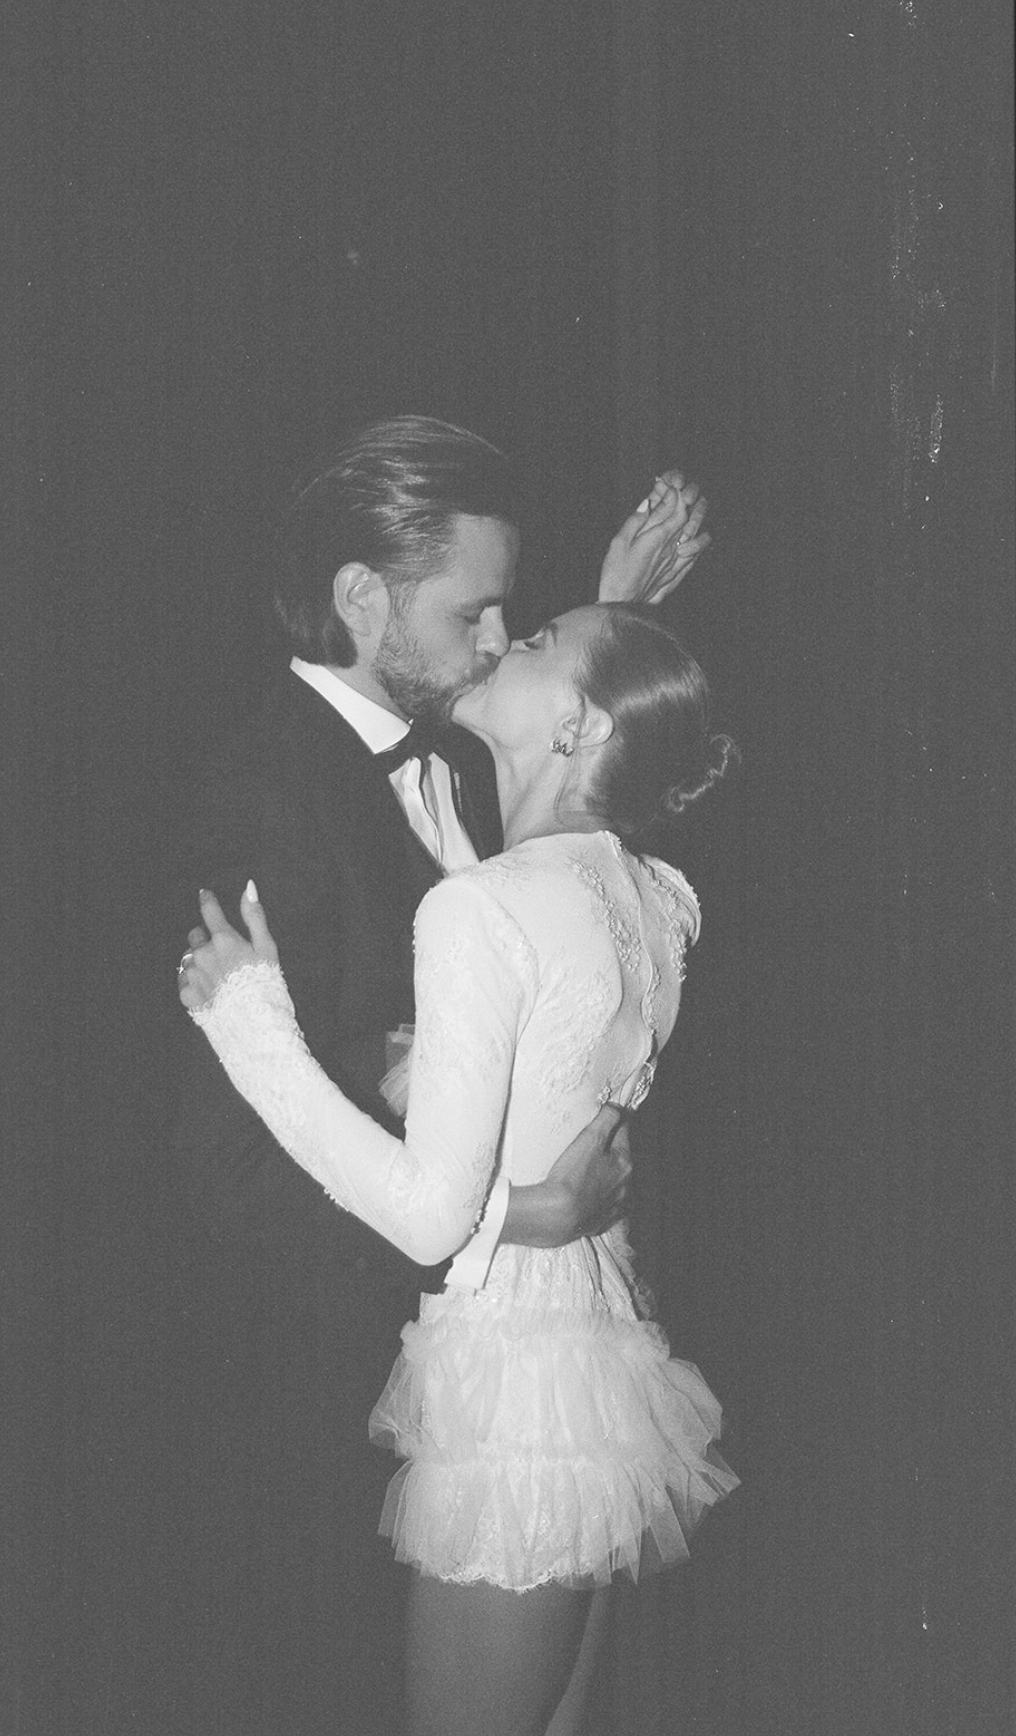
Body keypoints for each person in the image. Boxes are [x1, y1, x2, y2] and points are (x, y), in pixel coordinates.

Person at [171, 417, 710, 1732]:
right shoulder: (264, 794)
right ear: (363, 599)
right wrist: (511, 1210)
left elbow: (564, 750)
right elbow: (222, 1167)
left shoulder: (462, 759)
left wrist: (613, 616)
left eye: (513, 625)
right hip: (330, 1397)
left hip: (487, 1394)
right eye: (478, 613)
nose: (492, 643)